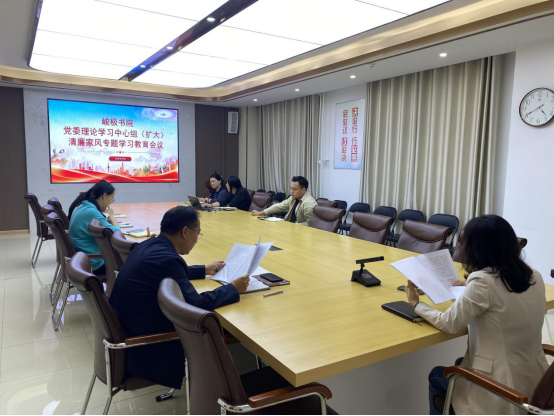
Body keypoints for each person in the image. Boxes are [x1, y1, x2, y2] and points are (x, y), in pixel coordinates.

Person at [404, 215, 548, 415]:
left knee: (438, 375)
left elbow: (448, 323)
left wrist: (416, 304)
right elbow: (503, 297)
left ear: (477, 249)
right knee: (460, 362)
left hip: (502, 388)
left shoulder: (483, 282)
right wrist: (469, 284)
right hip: (536, 380)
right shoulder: (534, 276)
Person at [109, 206, 250, 390]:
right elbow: (196, 305)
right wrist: (233, 289)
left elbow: (169, 272)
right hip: (143, 345)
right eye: (198, 233)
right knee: (222, 324)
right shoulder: (168, 260)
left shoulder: (149, 245)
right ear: (185, 231)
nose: (196, 240)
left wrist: (204, 269)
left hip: (129, 327)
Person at [68, 180, 120, 276]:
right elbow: (116, 234)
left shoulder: (83, 206)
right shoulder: (92, 212)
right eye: (111, 199)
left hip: (81, 258)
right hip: (94, 262)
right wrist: (113, 220)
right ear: (104, 195)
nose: (110, 204)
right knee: (131, 262)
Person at [251, 176, 317, 226]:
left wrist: (292, 226)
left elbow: (311, 224)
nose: (291, 191)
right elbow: (279, 206)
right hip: (292, 229)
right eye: (291, 188)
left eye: (294, 189)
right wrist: (261, 213)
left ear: (303, 190)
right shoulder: (293, 198)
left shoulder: (309, 203)